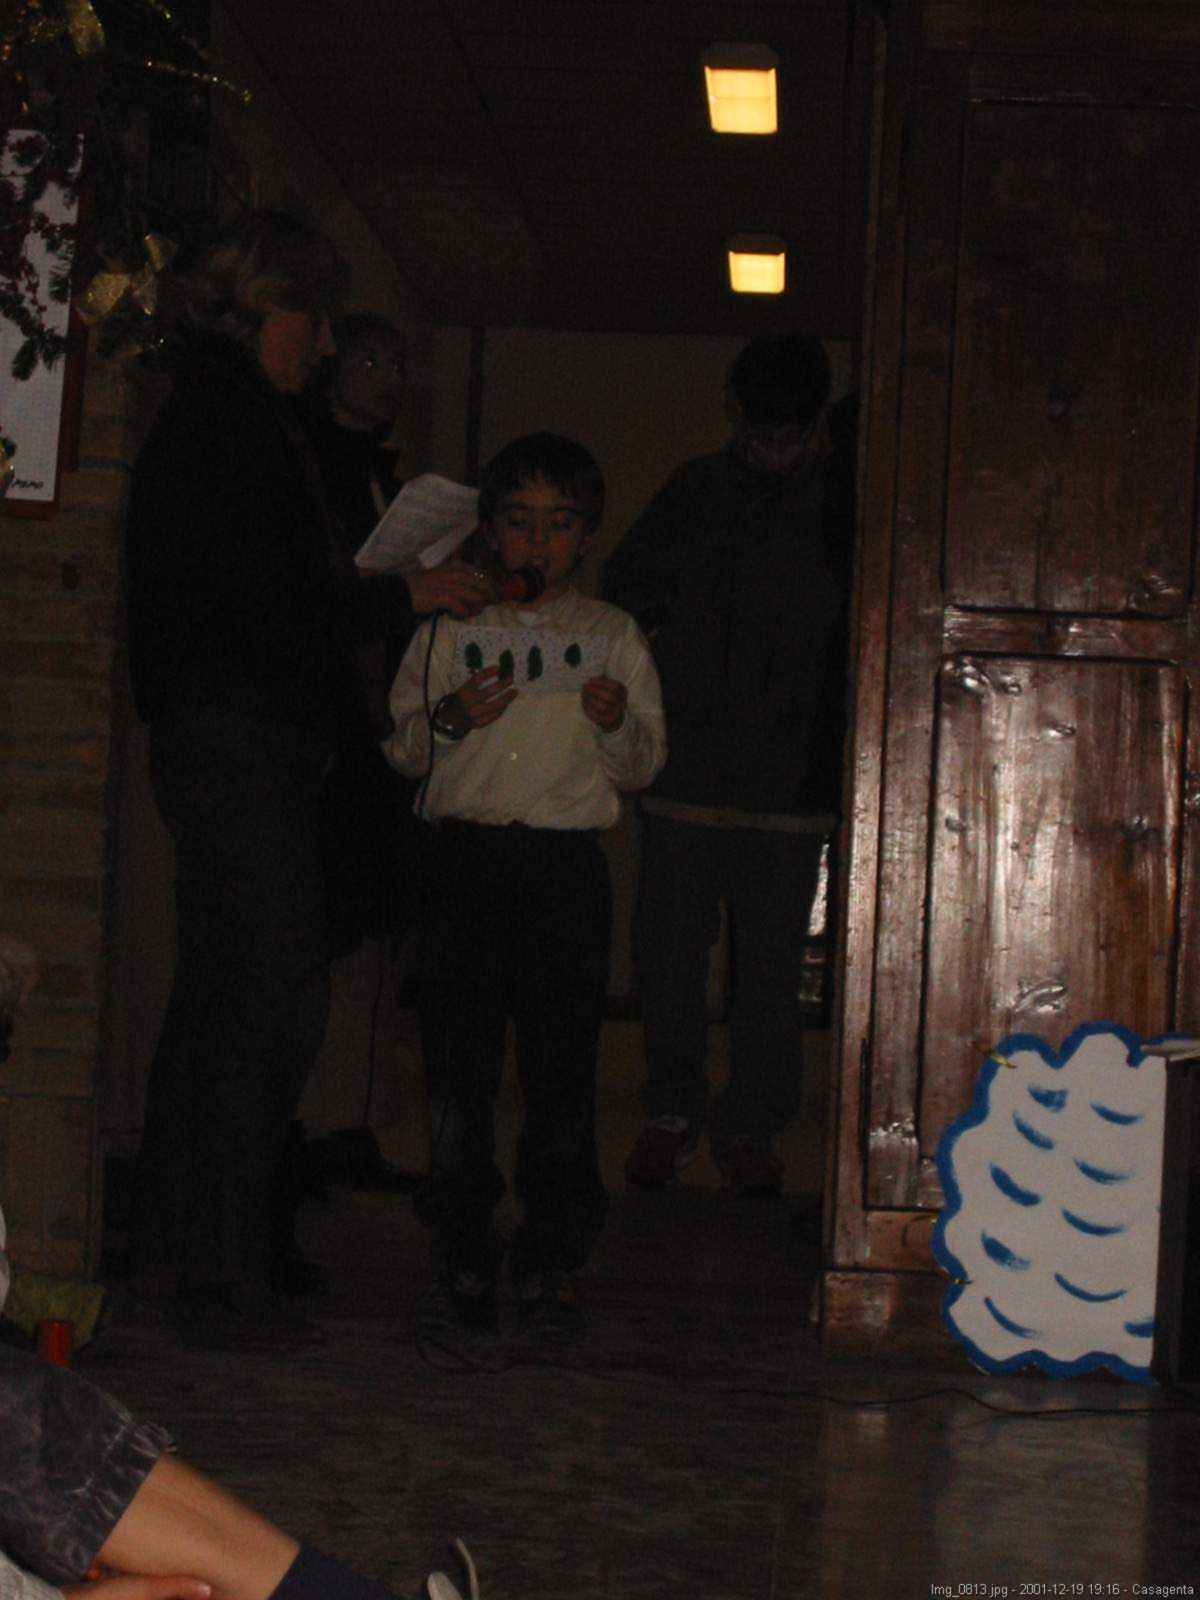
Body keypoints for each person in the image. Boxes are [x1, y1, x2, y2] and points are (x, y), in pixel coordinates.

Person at [123, 211, 490, 1345]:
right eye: (313, 316)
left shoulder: (228, 415)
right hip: (236, 736)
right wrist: (396, 596)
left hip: (230, 733)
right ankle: (216, 1271)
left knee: (225, 994)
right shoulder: (226, 423)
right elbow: (257, 601)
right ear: (261, 307)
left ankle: (181, 1248)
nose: (326, 342)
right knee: (267, 1001)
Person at [382, 433, 666, 1333]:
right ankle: (463, 1237)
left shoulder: (612, 636)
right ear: (490, 530)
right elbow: (403, 750)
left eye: (558, 524)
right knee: (459, 1066)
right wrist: (448, 719)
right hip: (465, 863)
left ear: (584, 537)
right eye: (518, 521)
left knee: (561, 1071)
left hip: (562, 872)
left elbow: (643, 767)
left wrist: (615, 724)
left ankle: (551, 1249)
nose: (536, 542)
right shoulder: (447, 628)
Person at [604, 336, 854, 1195]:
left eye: (792, 431)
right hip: (690, 773)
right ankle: (674, 1112)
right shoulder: (696, 490)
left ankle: (750, 1125)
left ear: (816, 421)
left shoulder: (845, 500)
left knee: (774, 968)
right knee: (669, 957)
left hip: (793, 780)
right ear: (738, 416)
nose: (776, 447)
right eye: (763, 428)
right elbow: (627, 594)